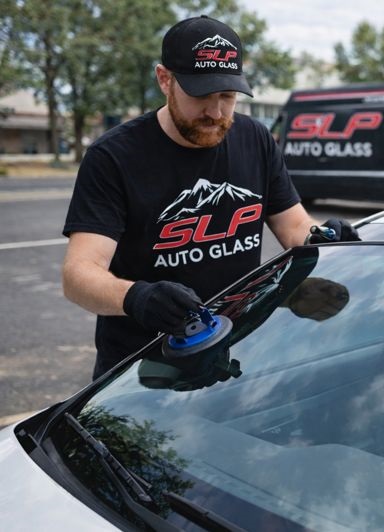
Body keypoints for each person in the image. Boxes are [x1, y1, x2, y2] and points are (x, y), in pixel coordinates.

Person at [61, 15, 360, 380]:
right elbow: (78, 274)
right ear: (164, 79)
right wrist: (137, 297)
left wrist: (323, 237)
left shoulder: (255, 139)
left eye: (228, 96)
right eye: (201, 95)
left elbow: (294, 224)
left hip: (238, 350)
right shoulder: (113, 156)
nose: (216, 113)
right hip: (140, 372)